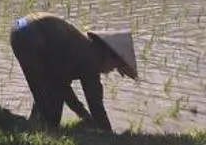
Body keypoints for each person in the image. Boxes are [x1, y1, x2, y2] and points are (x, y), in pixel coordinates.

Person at [8, 14, 137, 133]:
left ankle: (32, 129)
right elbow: (95, 103)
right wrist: (108, 133)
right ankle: (44, 134)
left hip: (19, 29)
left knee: (44, 93)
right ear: (109, 55)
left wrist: (84, 115)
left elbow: (63, 86)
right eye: (114, 66)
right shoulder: (91, 58)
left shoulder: (83, 47)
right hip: (32, 35)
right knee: (50, 102)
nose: (110, 71)